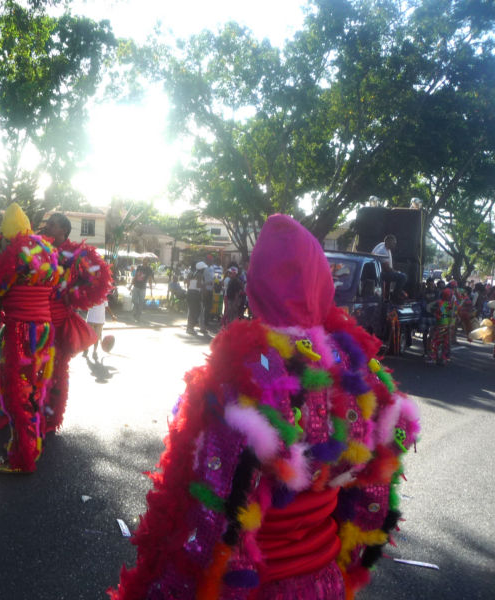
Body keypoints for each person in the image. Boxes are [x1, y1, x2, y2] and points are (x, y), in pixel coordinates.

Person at [109, 214, 420, 600]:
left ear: (257, 284)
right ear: (323, 282)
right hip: (326, 580)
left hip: (258, 587)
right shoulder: (361, 367)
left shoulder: (244, 375)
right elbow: (374, 499)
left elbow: (216, 515)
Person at [0, 203, 62, 473]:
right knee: (34, 388)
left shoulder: (8, 252)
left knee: (19, 391)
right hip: (44, 329)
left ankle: (23, 458)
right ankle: (30, 441)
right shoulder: (45, 250)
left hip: (21, 329)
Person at [42, 213, 111, 432]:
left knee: (57, 370)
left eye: (52, 225)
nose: (47, 227)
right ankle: (30, 411)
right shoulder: (39, 248)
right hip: (35, 318)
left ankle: (51, 417)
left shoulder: (78, 254)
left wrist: (73, 295)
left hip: (60, 321)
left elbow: (99, 277)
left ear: (63, 230)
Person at [372, 234, 407, 303]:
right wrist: (397, 272)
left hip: (379, 271)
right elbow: (387, 268)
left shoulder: (382, 244)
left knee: (395, 276)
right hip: (381, 273)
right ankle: (395, 297)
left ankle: (387, 297)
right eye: (394, 243)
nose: (395, 245)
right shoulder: (383, 251)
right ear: (388, 242)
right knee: (403, 277)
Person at [128, 257, 154, 321]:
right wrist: (131, 285)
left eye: (146, 260)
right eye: (144, 260)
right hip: (136, 286)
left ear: (148, 262)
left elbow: (150, 279)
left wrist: (151, 290)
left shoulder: (149, 269)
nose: (144, 261)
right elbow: (135, 276)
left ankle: (138, 316)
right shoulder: (139, 267)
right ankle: (136, 311)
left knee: (141, 302)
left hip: (143, 288)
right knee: (134, 300)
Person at [186, 262, 205, 335]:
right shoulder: (200, 275)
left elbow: (187, 283)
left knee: (191, 311)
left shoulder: (190, 273)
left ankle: (190, 327)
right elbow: (198, 285)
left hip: (190, 293)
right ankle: (190, 328)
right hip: (195, 294)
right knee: (196, 311)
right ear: (201, 269)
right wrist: (204, 285)